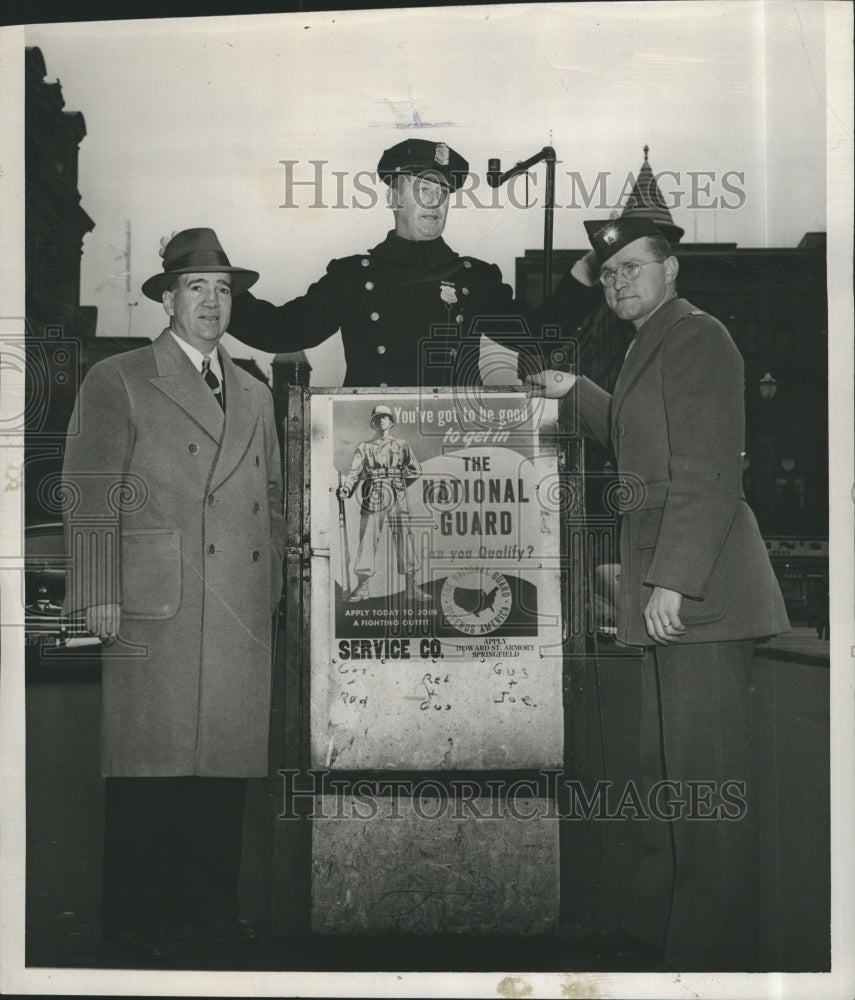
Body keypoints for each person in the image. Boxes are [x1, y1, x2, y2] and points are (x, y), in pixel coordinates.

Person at [527, 217, 790, 971]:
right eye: (608, 273)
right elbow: (635, 433)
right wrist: (573, 389)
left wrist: (673, 578)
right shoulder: (651, 341)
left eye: (633, 267)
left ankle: (710, 952)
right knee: (664, 770)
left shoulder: (698, 336)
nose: (618, 282)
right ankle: (653, 926)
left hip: (698, 589)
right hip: (668, 585)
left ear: (670, 269)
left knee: (704, 778)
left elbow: (708, 470)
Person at [62, 228, 285, 961]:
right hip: (154, 597)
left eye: (224, 290)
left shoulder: (255, 390)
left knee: (223, 764)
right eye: (197, 288)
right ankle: (132, 921)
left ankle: (208, 911)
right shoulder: (121, 377)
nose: (213, 302)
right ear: (167, 299)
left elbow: (274, 498)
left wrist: (271, 588)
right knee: (147, 766)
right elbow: (89, 489)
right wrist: (98, 587)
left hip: (237, 601)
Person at [227, 139, 586, 387]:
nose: (435, 201)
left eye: (443, 192)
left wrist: (587, 272)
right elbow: (281, 330)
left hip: (455, 451)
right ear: (393, 198)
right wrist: (220, 287)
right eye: (423, 189)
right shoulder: (352, 277)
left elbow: (538, 337)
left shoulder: (474, 279)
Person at [336, 404, 421, 602]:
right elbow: (355, 472)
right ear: (373, 423)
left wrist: (399, 481)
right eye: (378, 418)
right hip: (374, 492)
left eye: (385, 417)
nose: (382, 421)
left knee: (404, 537)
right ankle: (363, 587)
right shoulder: (364, 447)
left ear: (391, 422)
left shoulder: (401, 445)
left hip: (396, 494)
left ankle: (412, 586)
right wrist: (346, 489)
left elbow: (415, 469)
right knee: (367, 539)